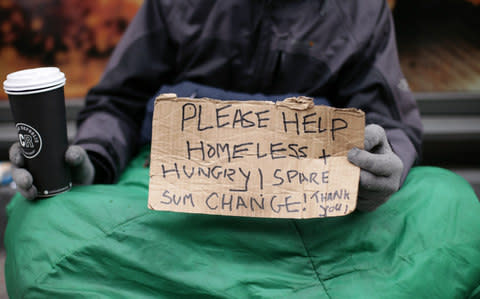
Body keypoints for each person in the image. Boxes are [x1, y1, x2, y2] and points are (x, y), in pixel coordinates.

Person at [10, 0, 421, 212]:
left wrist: (383, 169)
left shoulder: (362, 10)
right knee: (39, 221)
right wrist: (93, 161)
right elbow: (119, 101)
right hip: (167, 213)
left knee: (448, 206)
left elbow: (389, 122)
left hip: (307, 217)